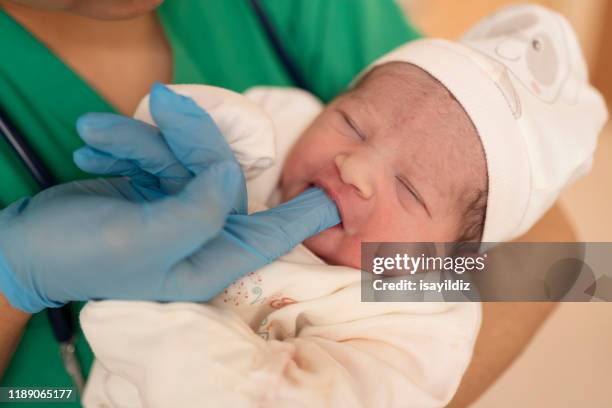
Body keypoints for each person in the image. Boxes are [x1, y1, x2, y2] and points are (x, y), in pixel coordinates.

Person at [0, 1, 580, 407]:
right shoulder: (291, 127)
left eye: (410, 188)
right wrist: (11, 271)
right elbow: (239, 119)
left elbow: (570, 264)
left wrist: (393, 278)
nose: (354, 165)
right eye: (350, 123)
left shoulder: (413, 310)